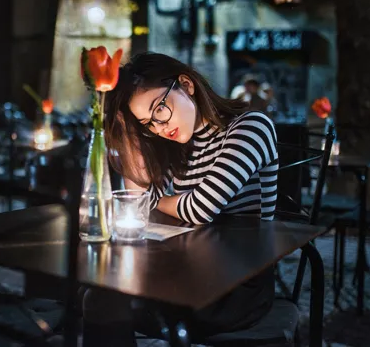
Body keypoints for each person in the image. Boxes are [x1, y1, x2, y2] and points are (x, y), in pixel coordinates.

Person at [81, 53, 279, 346]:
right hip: (187, 271)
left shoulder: (250, 128)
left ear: (186, 84)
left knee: (103, 301)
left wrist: (160, 201)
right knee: (95, 295)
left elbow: (200, 208)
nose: (159, 127)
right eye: (148, 123)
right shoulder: (177, 146)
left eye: (159, 109)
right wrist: (126, 126)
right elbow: (137, 205)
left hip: (238, 284)